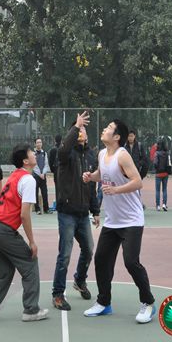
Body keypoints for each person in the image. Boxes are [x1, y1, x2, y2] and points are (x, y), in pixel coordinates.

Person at [82, 119, 156, 324]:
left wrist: (116, 190)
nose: (104, 129)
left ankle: (148, 302)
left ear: (116, 137)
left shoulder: (123, 155)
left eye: (108, 128)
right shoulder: (102, 154)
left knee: (131, 262)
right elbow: (102, 174)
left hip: (131, 220)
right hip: (112, 221)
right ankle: (104, 302)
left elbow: (137, 182)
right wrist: (91, 177)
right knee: (101, 260)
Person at [0, 144, 48, 322]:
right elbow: (24, 215)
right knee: (30, 262)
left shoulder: (15, 175)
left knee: (5, 271)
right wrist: (32, 241)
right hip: (1, 229)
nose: (35, 154)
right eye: (31, 153)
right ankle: (31, 310)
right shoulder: (28, 180)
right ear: (26, 161)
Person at [52, 112, 100, 311]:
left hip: (83, 213)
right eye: (78, 130)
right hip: (67, 212)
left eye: (83, 130)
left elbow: (91, 186)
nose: (81, 132)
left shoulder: (90, 155)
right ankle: (57, 294)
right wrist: (76, 126)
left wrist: (95, 210)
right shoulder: (65, 154)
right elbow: (63, 150)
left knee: (88, 250)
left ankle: (80, 280)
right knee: (65, 254)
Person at [33, 138, 51, 214]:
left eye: (40, 142)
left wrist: (43, 173)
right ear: (35, 144)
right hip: (35, 176)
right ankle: (37, 209)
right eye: (37, 142)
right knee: (35, 193)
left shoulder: (44, 153)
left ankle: (46, 209)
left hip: (43, 176)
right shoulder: (33, 154)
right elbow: (34, 165)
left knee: (44, 192)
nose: (39, 144)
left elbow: (46, 164)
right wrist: (39, 174)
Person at [153, 139, 170, 211]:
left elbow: (155, 163)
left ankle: (158, 206)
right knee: (164, 189)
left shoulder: (156, 153)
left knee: (157, 190)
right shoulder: (167, 153)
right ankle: (164, 204)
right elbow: (169, 163)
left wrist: (156, 168)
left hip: (158, 173)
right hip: (165, 173)